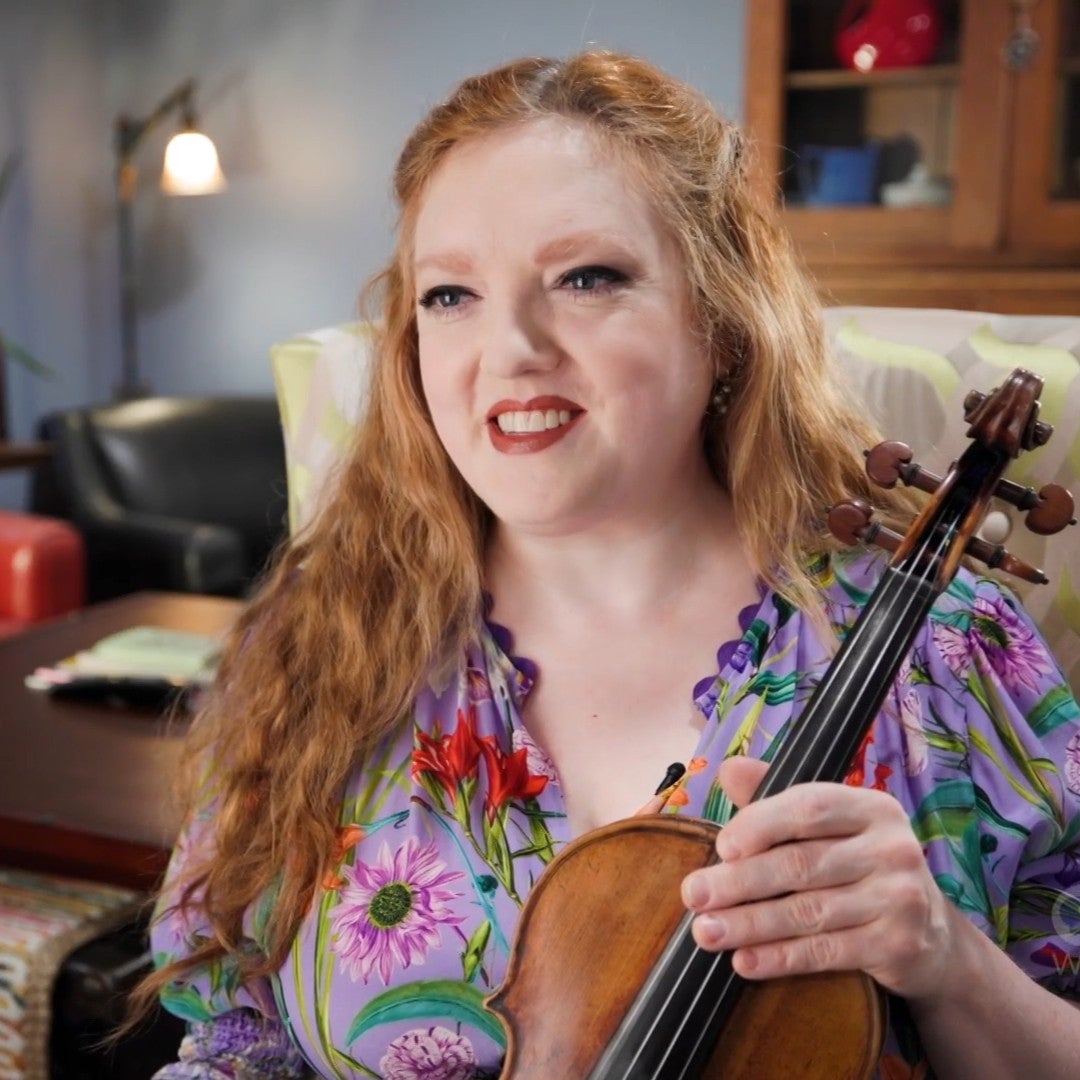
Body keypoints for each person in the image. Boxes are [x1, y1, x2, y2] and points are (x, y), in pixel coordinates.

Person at [139, 51, 1080, 1079]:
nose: (510, 350)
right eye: (451, 295)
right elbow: (233, 1043)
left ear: (720, 323)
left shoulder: (947, 652)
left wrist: (948, 963)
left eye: (587, 278)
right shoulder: (321, 642)